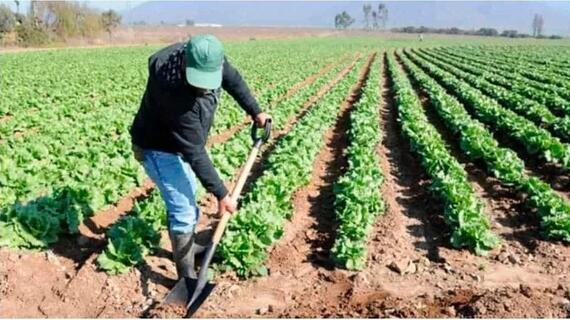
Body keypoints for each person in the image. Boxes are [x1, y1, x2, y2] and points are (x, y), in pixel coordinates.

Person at [129, 34, 270, 279]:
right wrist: (222, 194)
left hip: (177, 144)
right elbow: (194, 151)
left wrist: (256, 111)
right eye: (200, 81)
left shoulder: (210, 58)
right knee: (183, 209)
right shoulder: (172, 93)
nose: (205, 87)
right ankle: (186, 277)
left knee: (188, 198)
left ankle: (190, 248)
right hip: (157, 148)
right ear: (186, 63)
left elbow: (233, 80)